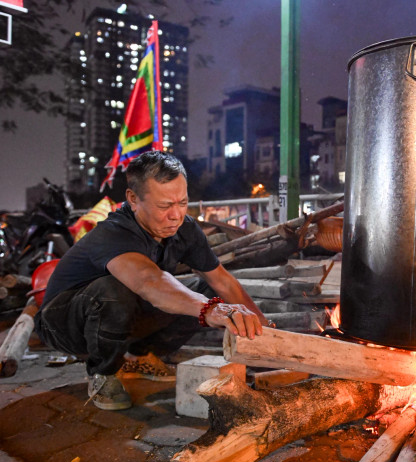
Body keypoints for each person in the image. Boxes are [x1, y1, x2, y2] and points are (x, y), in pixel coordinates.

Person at [34, 151, 270, 410]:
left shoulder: (185, 230)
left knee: (206, 289)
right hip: (64, 325)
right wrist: (211, 309)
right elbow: (149, 281)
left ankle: (141, 357)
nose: (176, 215)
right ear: (133, 199)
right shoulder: (113, 233)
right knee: (114, 290)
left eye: (182, 202)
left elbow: (223, 282)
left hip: (122, 315)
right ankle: (103, 372)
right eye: (164, 206)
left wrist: (267, 333)